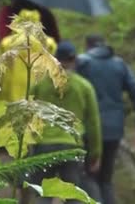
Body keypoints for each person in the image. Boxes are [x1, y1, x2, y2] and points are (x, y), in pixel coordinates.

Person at [76, 34, 135, 204]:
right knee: (106, 180)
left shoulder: (82, 63)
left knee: (88, 177)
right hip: (114, 130)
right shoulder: (120, 64)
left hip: (89, 129)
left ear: (87, 46)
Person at [29, 41, 103, 204]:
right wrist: (95, 153)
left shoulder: (40, 85)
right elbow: (93, 122)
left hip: (44, 145)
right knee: (73, 193)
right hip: (72, 146)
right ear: (74, 60)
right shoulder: (84, 86)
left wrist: (28, 144)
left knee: (42, 193)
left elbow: (28, 114)